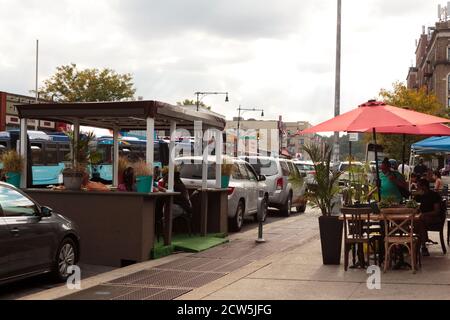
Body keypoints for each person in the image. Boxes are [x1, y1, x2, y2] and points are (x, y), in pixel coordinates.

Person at [414, 178, 444, 256]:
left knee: (419, 221)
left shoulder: (434, 195)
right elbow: (414, 206)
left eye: (418, 186)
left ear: (423, 187)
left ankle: (422, 245)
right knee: (415, 221)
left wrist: (424, 214)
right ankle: (418, 242)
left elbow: (436, 211)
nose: (417, 188)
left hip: (435, 218)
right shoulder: (420, 196)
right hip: (423, 218)